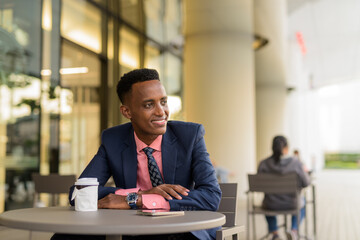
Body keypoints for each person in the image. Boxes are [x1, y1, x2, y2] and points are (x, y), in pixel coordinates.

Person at [51, 68, 221, 240]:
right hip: (133, 229)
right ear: (127, 112)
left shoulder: (190, 136)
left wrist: (138, 200)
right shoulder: (113, 140)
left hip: (181, 228)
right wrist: (141, 194)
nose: (161, 112)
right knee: (65, 236)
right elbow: (79, 193)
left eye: (163, 102)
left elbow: (211, 197)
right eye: (149, 105)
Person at [258, 136, 310, 240]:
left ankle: (274, 233)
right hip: (292, 203)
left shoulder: (263, 164)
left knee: (266, 201)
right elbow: (306, 183)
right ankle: (294, 230)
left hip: (270, 204)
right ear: (286, 148)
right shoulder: (296, 163)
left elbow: (259, 186)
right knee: (302, 202)